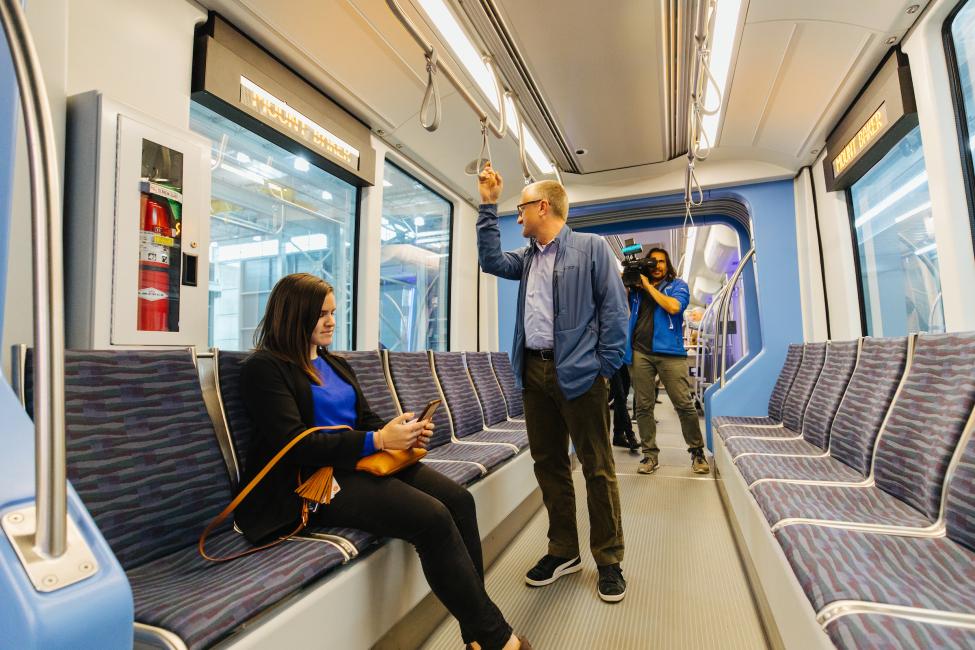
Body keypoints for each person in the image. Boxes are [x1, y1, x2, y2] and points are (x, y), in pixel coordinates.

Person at [236, 273, 529, 650]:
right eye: (321, 314)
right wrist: (377, 439)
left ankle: (476, 632)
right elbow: (295, 445)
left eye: (333, 312)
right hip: (311, 481)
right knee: (432, 518)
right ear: (293, 315)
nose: (331, 321)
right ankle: (495, 639)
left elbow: (367, 421)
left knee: (458, 501)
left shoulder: (335, 364)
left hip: (359, 464)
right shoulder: (264, 369)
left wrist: (400, 431)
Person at [475, 163, 630, 603]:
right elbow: (489, 260)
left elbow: (616, 313)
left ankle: (609, 559)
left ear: (543, 207)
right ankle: (563, 550)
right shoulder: (525, 260)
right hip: (534, 373)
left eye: (520, 209)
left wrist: (604, 366)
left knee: (597, 469)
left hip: (582, 375)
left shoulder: (591, 248)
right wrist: (488, 205)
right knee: (549, 466)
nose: (517, 217)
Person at [623, 248, 709, 475]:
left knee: (683, 404)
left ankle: (697, 451)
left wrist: (648, 286)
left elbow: (673, 307)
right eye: (653, 262)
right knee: (642, 406)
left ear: (668, 264)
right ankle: (649, 455)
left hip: (670, 353)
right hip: (640, 352)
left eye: (662, 262)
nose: (658, 266)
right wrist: (629, 280)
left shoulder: (678, 286)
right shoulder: (636, 290)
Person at [609, 365, 639, 452]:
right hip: (612, 359)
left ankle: (618, 436)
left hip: (624, 361)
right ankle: (630, 436)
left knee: (623, 396)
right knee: (620, 397)